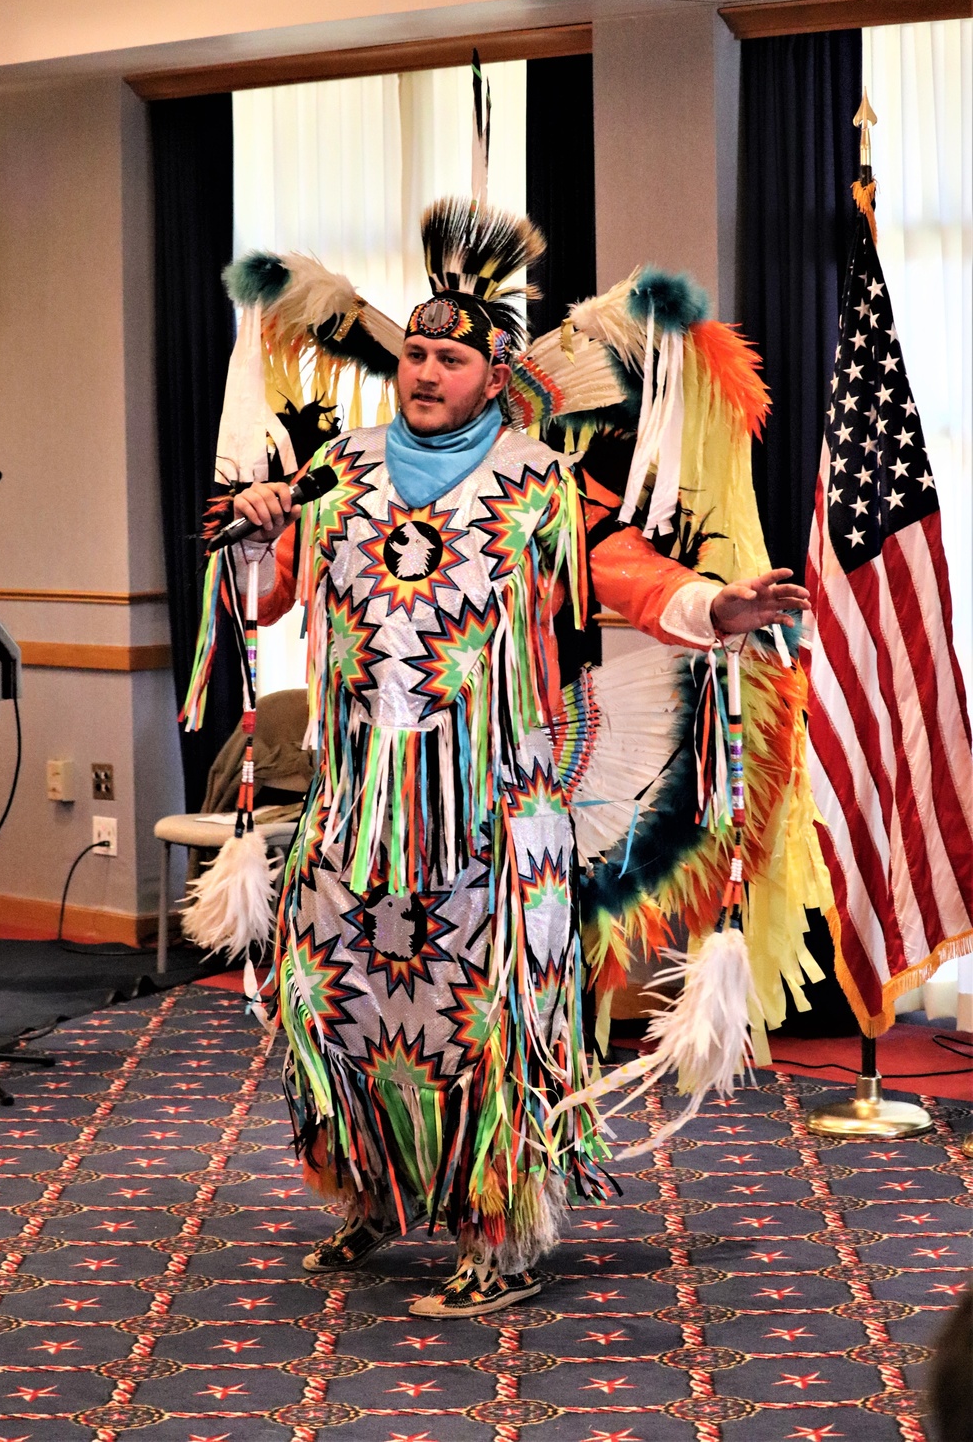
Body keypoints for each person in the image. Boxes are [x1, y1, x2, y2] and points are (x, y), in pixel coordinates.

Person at [230, 198, 808, 1318]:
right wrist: (256, 525)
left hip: (492, 813)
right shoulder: (337, 476)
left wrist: (718, 603)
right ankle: (367, 1190)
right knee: (346, 1006)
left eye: (450, 357)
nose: (424, 371)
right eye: (414, 355)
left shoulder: (541, 482)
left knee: (486, 1017)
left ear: (497, 375)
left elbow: (629, 571)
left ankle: (500, 1236)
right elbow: (261, 600)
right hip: (354, 808)